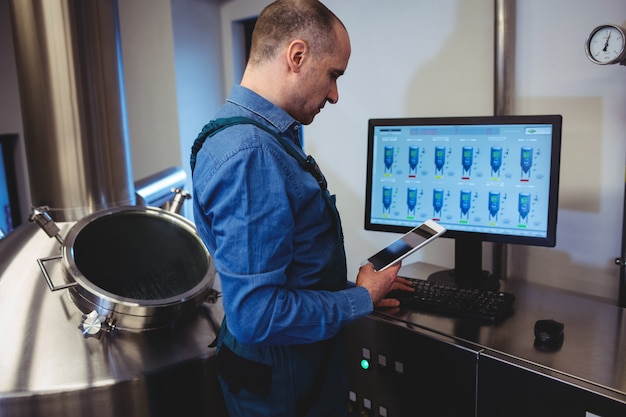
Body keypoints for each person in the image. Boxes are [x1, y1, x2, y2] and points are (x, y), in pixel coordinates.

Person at [191, 1, 412, 415]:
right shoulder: (251, 153)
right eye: (333, 74)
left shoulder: (247, 134)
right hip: (283, 392)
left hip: (288, 379)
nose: (334, 94)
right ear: (297, 56)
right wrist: (360, 300)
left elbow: (284, 273)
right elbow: (257, 315)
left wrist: (356, 292)